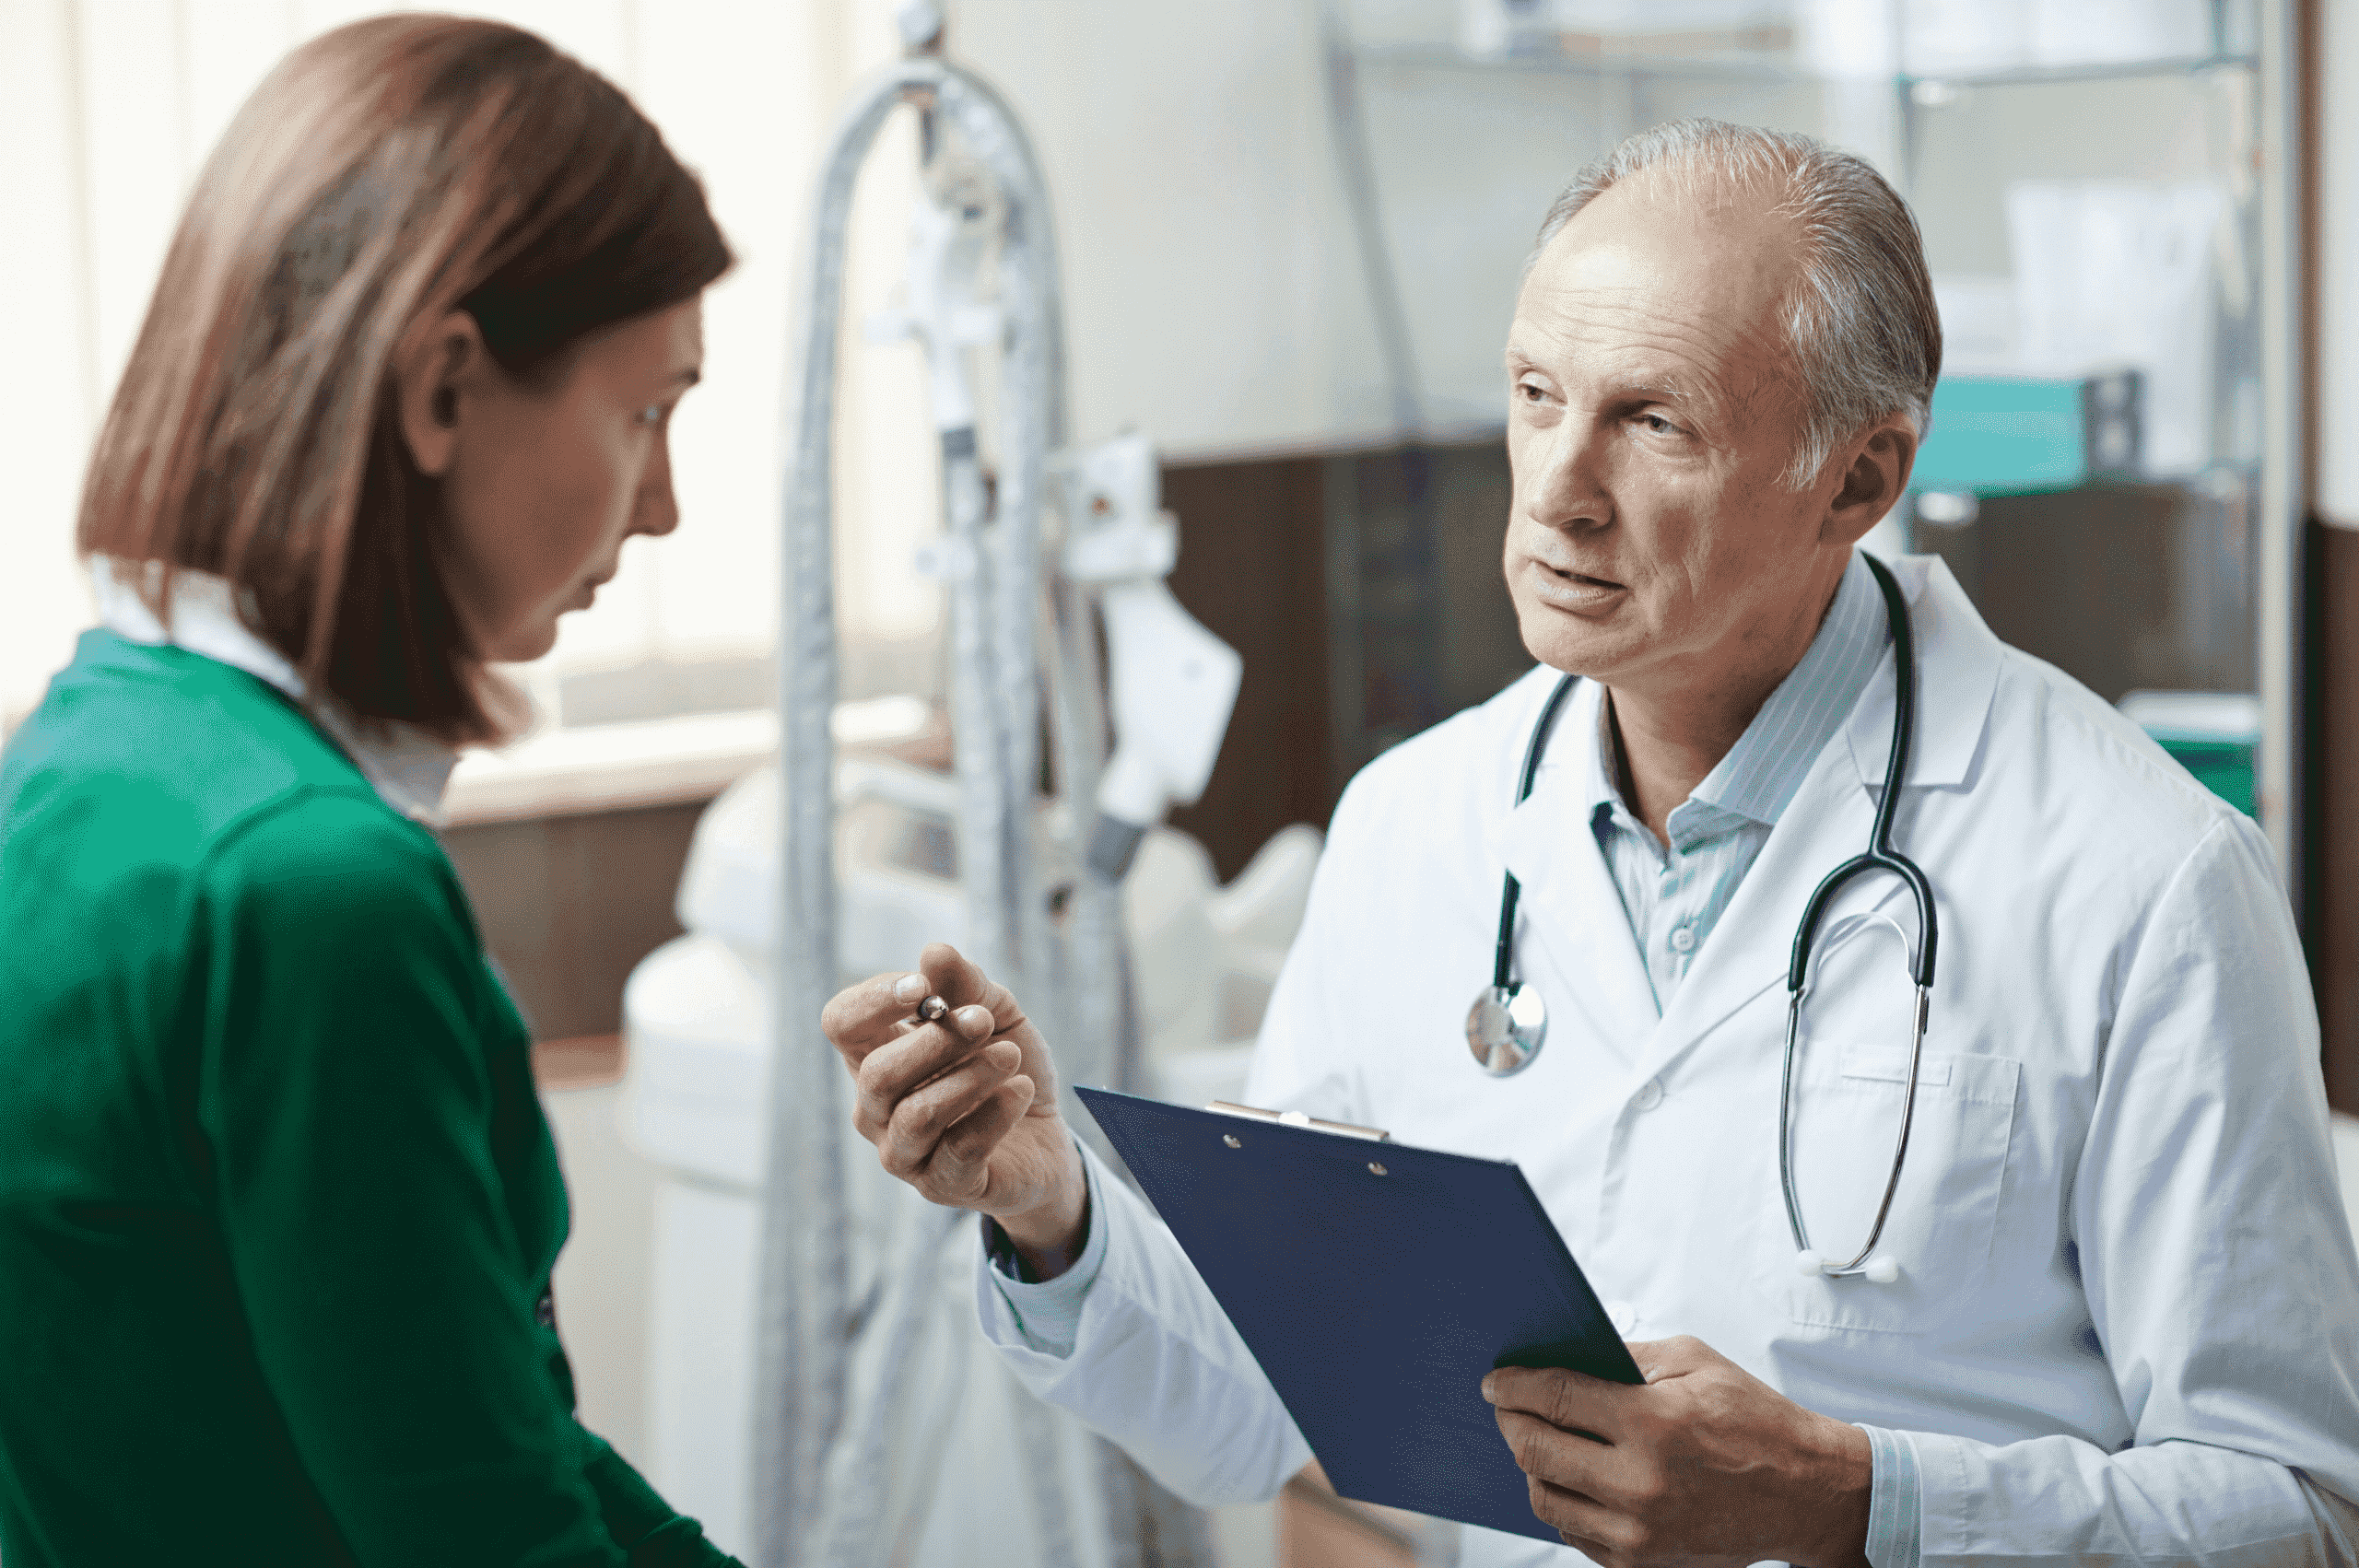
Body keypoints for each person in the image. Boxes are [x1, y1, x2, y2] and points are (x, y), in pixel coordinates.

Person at [821, 119, 2359, 1567]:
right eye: (1536, 395)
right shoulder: (1416, 824)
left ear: (1862, 478)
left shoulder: (2143, 878)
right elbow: (1263, 1403)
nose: (1559, 493)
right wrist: (1047, 1205)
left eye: (1653, 422)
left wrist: (1854, 1502)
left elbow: (2298, 1507)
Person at [0, 18, 742, 1567]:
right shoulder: (312, 887)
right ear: (441, 392)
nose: (663, 505)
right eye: (645, 414)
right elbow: (489, 1531)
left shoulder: (91, 757)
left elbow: (458, 1425)